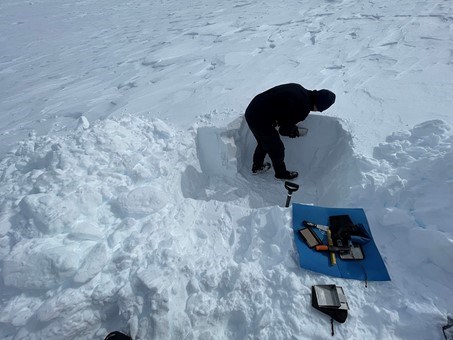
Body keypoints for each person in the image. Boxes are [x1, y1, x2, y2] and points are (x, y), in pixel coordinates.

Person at [245, 83, 336, 180]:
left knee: (264, 141)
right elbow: (283, 130)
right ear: (318, 105)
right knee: (277, 148)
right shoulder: (303, 108)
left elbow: (282, 106)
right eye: (319, 109)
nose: (317, 111)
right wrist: (294, 132)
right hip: (259, 117)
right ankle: (280, 174)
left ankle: (257, 167)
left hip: (253, 108)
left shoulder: (299, 89)